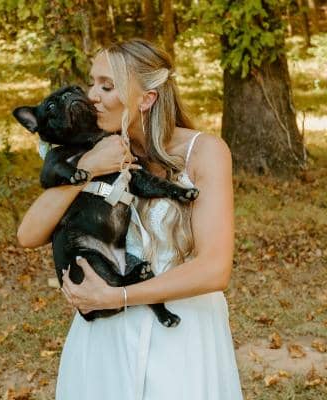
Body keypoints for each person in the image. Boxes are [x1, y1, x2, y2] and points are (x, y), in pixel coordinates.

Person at [17, 38, 243, 400]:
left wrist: (118, 296)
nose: (92, 95)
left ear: (146, 99)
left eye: (107, 86)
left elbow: (215, 269)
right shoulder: (94, 147)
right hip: (105, 339)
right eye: (92, 82)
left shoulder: (204, 152)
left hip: (181, 336)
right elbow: (28, 235)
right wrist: (88, 168)